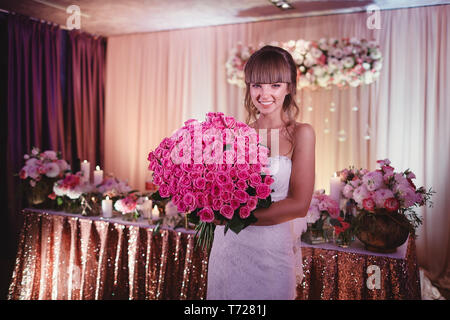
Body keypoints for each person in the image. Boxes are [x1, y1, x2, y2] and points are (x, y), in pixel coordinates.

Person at [207, 45, 316, 300]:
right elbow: (218, 189)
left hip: (270, 251)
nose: (264, 93)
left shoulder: (301, 133)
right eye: (257, 85)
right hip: (228, 246)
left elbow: (299, 205)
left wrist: (236, 217)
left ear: (289, 87)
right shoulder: (234, 133)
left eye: (275, 85)